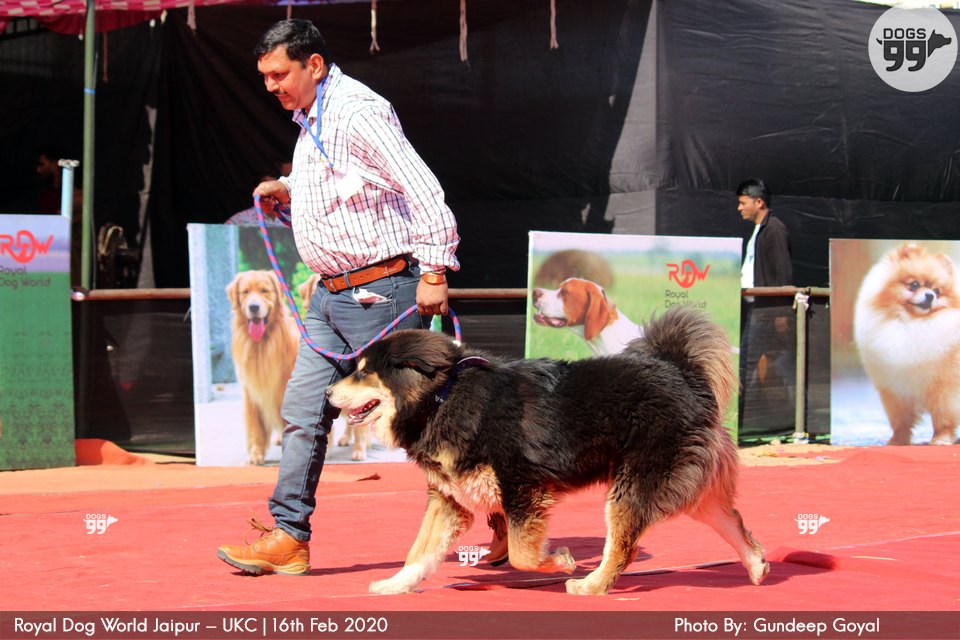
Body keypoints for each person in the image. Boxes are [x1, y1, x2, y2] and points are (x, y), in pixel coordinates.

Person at [217, 19, 461, 575]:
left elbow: (423, 188)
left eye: (279, 74)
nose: (271, 86)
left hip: (383, 293)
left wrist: (435, 269)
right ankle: (288, 536)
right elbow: (344, 183)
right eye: (265, 76)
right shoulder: (314, 117)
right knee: (303, 414)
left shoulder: (357, 112)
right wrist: (289, 191)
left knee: (429, 422)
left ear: (314, 65)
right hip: (328, 297)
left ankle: (500, 514)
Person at [735, 178, 795, 439]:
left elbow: (783, 273)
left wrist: (780, 314)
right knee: (778, 365)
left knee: (748, 364)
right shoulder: (760, 230)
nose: (739, 208)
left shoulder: (775, 230)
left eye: (743, 202)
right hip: (757, 309)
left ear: (759, 202)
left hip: (767, 312)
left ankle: (738, 423)